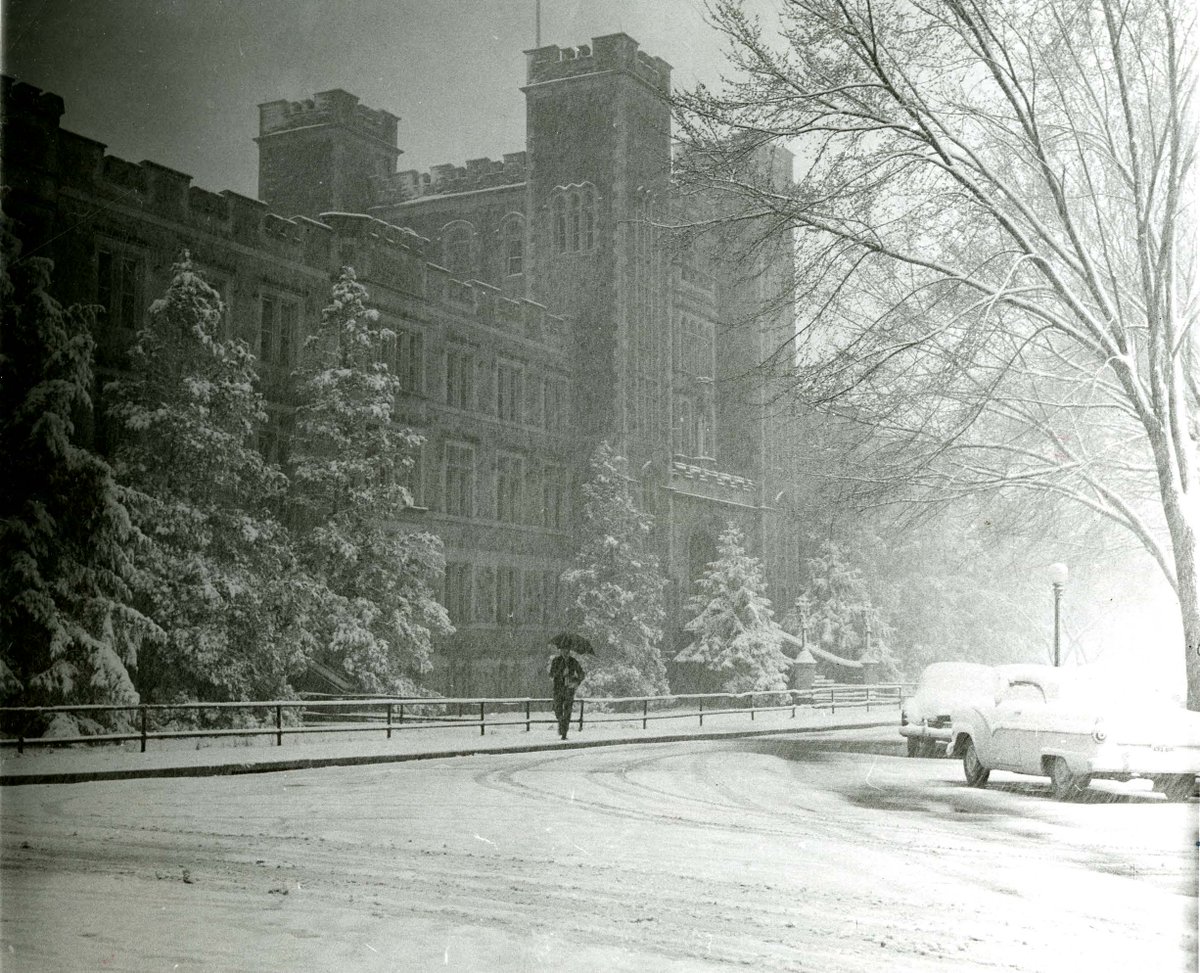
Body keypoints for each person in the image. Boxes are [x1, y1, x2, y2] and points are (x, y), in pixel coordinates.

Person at [549, 641, 585, 740]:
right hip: (558, 689)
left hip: (569, 690)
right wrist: (561, 672)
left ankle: (564, 733)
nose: (565, 652)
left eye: (567, 650)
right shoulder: (556, 661)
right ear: (560, 651)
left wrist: (576, 682)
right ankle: (562, 723)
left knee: (567, 711)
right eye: (563, 650)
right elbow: (551, 674)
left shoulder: (573, 661)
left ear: (569, 651)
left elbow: (581, 674)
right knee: (558, 710)